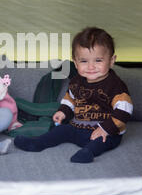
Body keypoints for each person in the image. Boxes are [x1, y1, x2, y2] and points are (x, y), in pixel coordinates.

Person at [14, 27, 133, 163]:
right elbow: (70, 99)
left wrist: (106, 128)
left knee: (101, 141)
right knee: (60, 131)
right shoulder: (77, 81)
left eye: (98, 60)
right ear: (76, 63)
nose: (91, 66)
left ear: (111, 60)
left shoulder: (115, 85)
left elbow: (124, 110)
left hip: (104, 131)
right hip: (78, 127)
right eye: (84, 61)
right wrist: (63, 112)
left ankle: (88, 152)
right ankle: (37, 143)